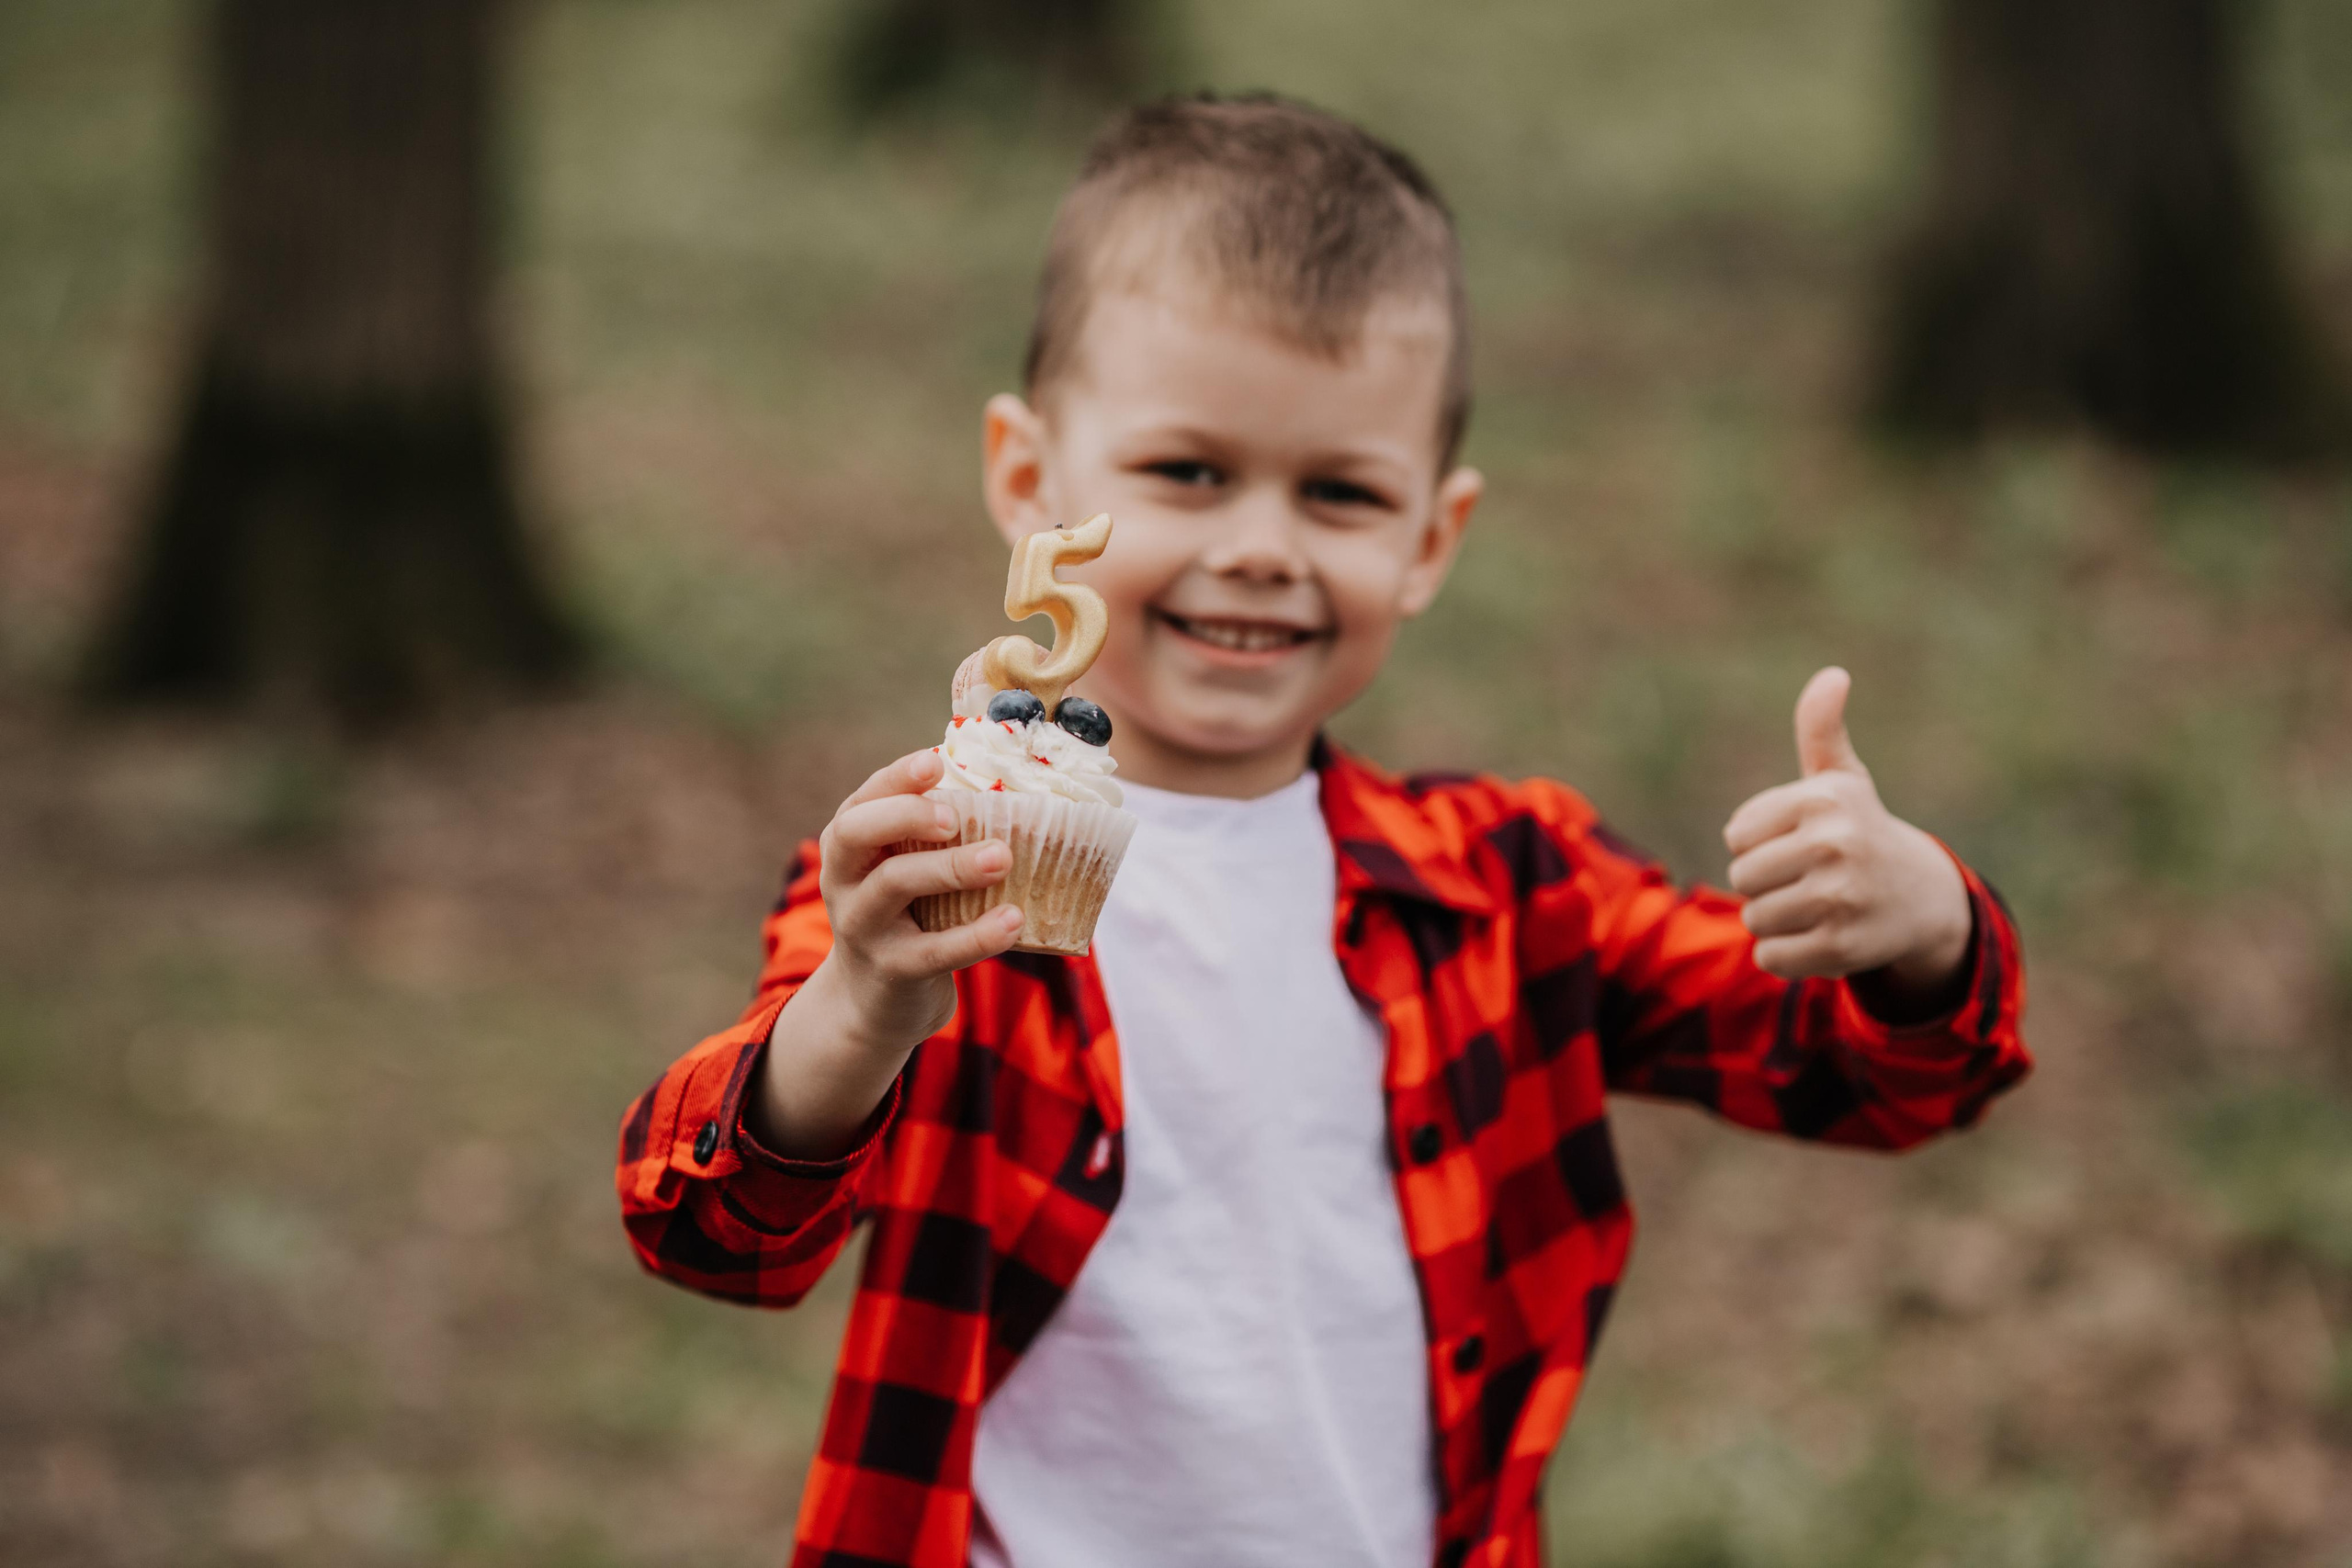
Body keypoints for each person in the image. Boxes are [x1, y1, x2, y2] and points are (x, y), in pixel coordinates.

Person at [615, 94, 2031, 1568]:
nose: (1261, 547)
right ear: (1032, 484)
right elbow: (713, 1237)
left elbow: (1863, 1077)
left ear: (1430, 538)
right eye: (1188, 472)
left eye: (1341, 493)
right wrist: (857, 1010)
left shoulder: (1508, 887)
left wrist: (1922, 928)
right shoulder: (936, 884)